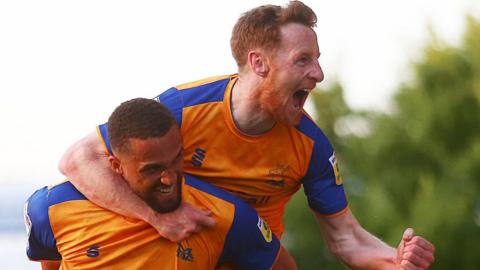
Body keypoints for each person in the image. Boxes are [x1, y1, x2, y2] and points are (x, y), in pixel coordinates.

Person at [59, 1, 435, 269]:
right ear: (259, 63)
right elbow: (78, 160)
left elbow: (345, 238)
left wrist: (394, 260)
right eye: (303, 60)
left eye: (317, 60)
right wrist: (156, 220)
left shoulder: (311, 145)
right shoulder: (184, 108)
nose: (319, 74)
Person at [26, 98, 296, 270]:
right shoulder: (50, 209)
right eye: (152, 169)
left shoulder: (225, 217)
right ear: (116, 165)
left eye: (176, 159)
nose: (169, 178)